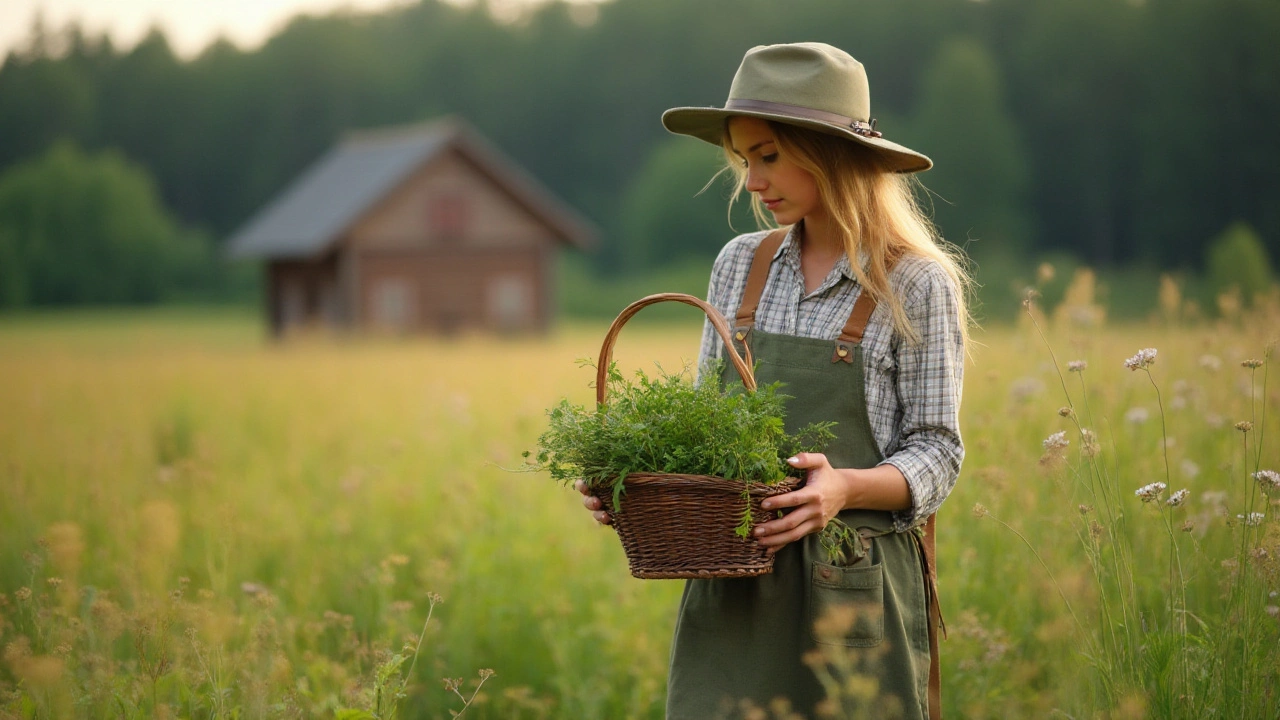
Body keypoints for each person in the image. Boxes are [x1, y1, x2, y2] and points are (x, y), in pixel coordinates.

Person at [576, 42, 969, 719]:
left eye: (768, 156)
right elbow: (706, 428)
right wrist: (639, 482)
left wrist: (843, 488)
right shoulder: (739, 266)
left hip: (853, 587)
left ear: (831, 154)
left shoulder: (915, 283)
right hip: (733, 587)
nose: (752, 182)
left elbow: (939, 451)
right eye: (744, 160)